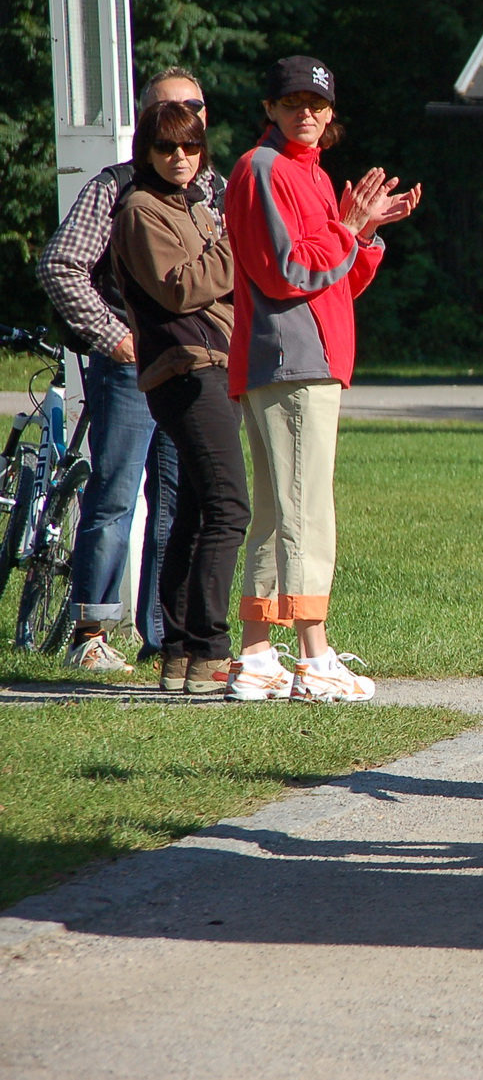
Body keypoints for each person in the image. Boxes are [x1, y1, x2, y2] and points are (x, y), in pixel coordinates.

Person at [224, 56, 422, 702]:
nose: (304, 112)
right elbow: (288, 272)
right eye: (291, 102)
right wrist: (348, 226)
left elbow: (339, 276)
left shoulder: (309, 173)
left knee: (282, 510)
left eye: (316, 103)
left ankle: (256, 656)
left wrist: (363, 230)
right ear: (270, 109)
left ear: (331, 113)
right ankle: (313, 659)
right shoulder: (263, 169)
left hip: (306, 359)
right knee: (305, 511)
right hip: (290, 360)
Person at [37, 68, 208, 674]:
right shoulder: (115, 187)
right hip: (132, 368)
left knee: (176, 502)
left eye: (194, 108)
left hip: (192, 367)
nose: (182, 123)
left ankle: (164, 637)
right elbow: (61, 265)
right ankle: (92, 632)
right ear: (144, 126)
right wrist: (114, 338)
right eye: (168, 112)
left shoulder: (208, 188)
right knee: (113, 499)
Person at [109, 102, 248, 695]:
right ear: (147, 152)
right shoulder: (142, 209)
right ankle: (211, 649)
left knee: (193, 513)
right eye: (168, 149)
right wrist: (240, 243)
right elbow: (181, 287)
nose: (181, 158)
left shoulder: (186, 205)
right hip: (187, 370)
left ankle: (179, 654)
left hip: (208, 365)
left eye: (190, 148)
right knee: (228, 508)